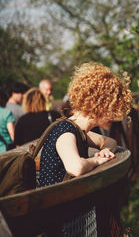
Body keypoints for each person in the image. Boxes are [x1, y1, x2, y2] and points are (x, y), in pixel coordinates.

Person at [38, 62, 133, 235]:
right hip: (57, 223)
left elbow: (109, 142)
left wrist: (105, 150)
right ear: (100, 104)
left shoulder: (79, 130)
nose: (117, 116)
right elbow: (76, 167)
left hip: (69, 216)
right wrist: (96, 160)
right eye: (114, 107)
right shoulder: (65, 132)